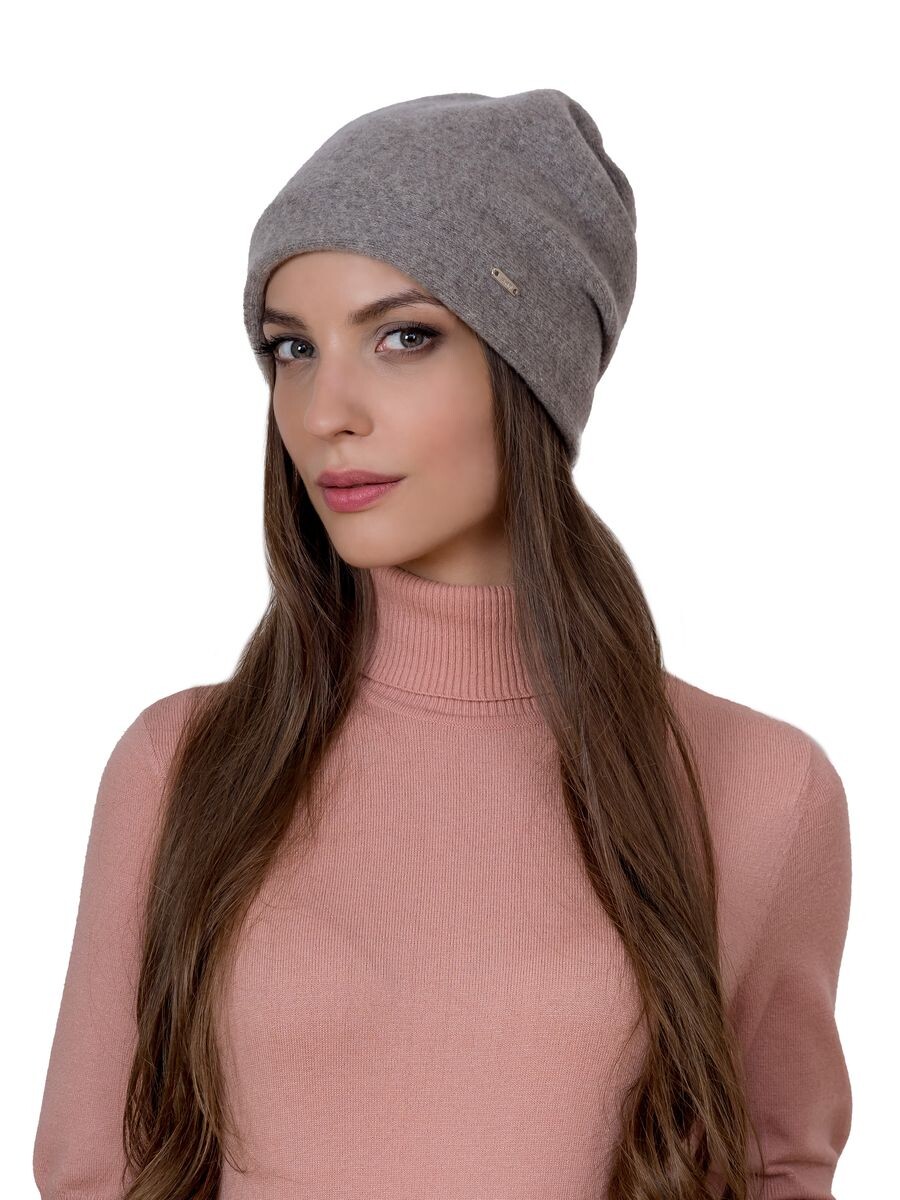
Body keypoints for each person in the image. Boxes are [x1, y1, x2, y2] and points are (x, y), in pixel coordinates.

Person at [33, 89, 852, 1200]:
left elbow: (775, 1169)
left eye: (403, 337)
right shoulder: (180, 766)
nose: (325, 409)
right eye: (292, 348)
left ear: (532, 368)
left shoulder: (761, 789)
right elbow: (95, 1170)